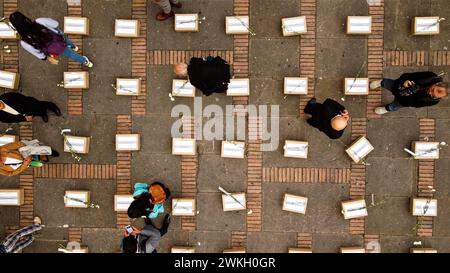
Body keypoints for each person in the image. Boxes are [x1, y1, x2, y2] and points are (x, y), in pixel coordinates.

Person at [8, 11, 93, 67]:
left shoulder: (24, 43)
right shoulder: (39, 21)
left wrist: (48, 58)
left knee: (71, 54)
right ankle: (74, 47)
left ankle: (86, 62)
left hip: (56, 49)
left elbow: (38, 54)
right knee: (66, 40)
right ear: (25, 18)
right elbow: (55, 24)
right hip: (59, 37)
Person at [370, 71, 448, 115]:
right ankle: (380, 83)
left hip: (405, 100)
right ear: (437, 84)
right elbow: (407, 75)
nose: (430, 93)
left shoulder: (434, 101)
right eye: (433, 89)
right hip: (399, 86)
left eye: (433, 96)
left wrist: (407, 96)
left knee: (392, 107)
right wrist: (405, 81)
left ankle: (386, 108)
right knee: (386, 83)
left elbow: (415, 104)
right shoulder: (430, 76)